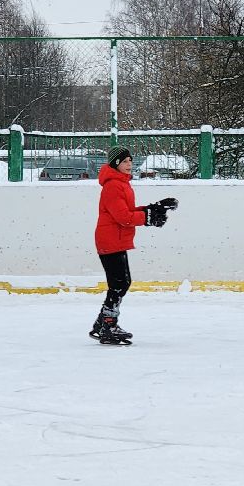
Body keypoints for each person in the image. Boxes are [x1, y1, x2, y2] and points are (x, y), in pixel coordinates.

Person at [91, 147, 174, 346]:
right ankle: (108, 325)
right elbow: (123, 217)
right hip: (110, 240)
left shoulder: (122, 184)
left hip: (116, 240)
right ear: (115, 164)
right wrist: (148, 218)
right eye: (125, 161)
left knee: (121, 282)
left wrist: (152, 209)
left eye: (130, 160)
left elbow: (127, 211)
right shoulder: (113, 186)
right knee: (120, 283)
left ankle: (102, 323)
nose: (129, 165)